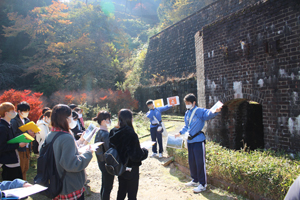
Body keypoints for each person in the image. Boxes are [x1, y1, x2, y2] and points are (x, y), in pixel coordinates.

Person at [175, 93, 222, 193]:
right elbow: (186, 126)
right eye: (186, 103)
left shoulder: (199, 111)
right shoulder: (187, 113)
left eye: (188, 103)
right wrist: (179, 133)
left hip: (198, 140)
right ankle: (195, 180)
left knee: (200, 162)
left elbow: (208, 114)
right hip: (190, 140)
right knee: (192, 161)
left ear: (193, 102)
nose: (187, 104)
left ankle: (203, 184)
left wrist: (215, 111)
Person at [45, 104, 93, 200]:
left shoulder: (51, 134)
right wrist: (88, 154)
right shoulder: (66, 137)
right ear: (65, 119)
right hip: (69, 186)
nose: (72, 119)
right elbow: (71, 164)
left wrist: (81, 141)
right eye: (70, 117)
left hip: (57, 183)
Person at [109, 109, 148, 200]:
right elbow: (136, 156)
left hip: (119, 166)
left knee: (121, 190)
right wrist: (145, 151)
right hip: (132, 168)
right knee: (132, 194)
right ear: (130, 119)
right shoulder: (131, 133)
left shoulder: (114, 132)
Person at [0, 102, 26, 181]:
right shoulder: (3, 127)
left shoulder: (8, 125)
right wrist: (18, 145)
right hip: (8, 162)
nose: (14, 113)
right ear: (6, 113)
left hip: (12, 159)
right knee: (12, 186)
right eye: (12, 111)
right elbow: (2, 147)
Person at [10, 101, 35, 181]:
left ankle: (24, 184)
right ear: (19, 111)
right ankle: (21, 186)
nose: (26, 113)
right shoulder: (14, 121)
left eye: (27, 111)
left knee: (25, 168)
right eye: (24, 111)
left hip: (27, 147)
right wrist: (27, 133)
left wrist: (32, 134)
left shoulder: (27, 120)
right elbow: (13, 134)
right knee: (20, 169)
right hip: (19, 148)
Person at [93, 111, 114, 200]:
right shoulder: (105, 134)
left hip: (101, 162)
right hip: (106, 163)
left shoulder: (99, 131)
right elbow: (109, 149)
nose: (110, 121)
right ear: (103, 121)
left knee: (104, 184)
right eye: (108, 119)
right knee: (108, 186)